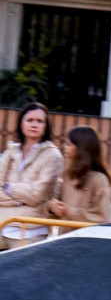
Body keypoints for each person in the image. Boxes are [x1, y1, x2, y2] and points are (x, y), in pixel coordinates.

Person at [0, 102, 63, 250]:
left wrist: (8, 187)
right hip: (3, 224)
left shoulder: (52, 155)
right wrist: (23, 199)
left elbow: (36, 195)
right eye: (30, 120)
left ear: (46, 126)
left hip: (31, 232)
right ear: (21, 123)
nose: (34, 125)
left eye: (40, 121)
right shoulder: (11, 151)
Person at [47, 125, 111, 234]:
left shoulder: (99, 179)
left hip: (88, 241)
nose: (64, 147)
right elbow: (56, 209)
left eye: (69, 144)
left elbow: (102, 217)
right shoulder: (68, 175)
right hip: (65, 240)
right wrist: (52, 207)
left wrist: (69, 211)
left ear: (81, 147)